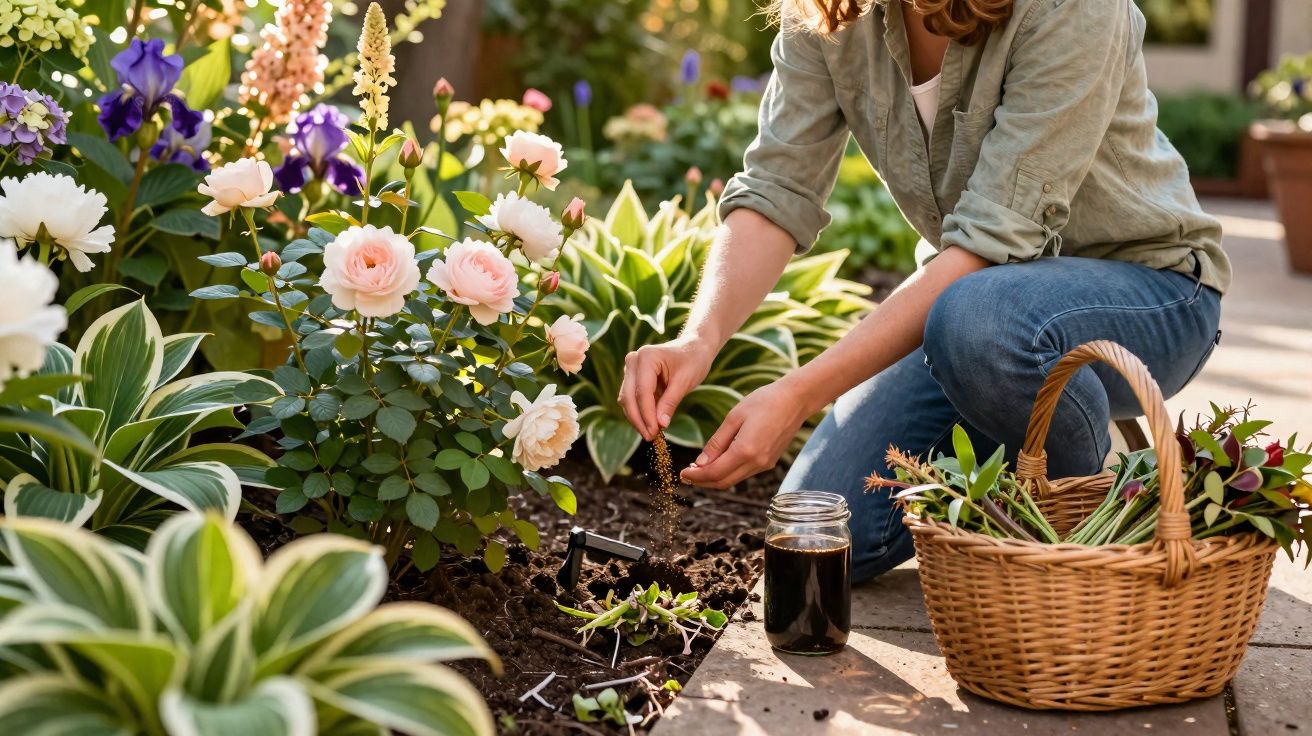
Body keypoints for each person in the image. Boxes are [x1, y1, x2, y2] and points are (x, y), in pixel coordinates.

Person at [617, 0, 1227, 583]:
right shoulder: (834, 12)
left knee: (982, 322)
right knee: (825, 537)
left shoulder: (1072, 8)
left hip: (1151, 294)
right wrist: (699, 338)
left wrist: (799, 394)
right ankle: (1015, 426)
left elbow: (990, 241)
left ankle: (1082, 535)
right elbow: (778, 189)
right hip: (976, 312)